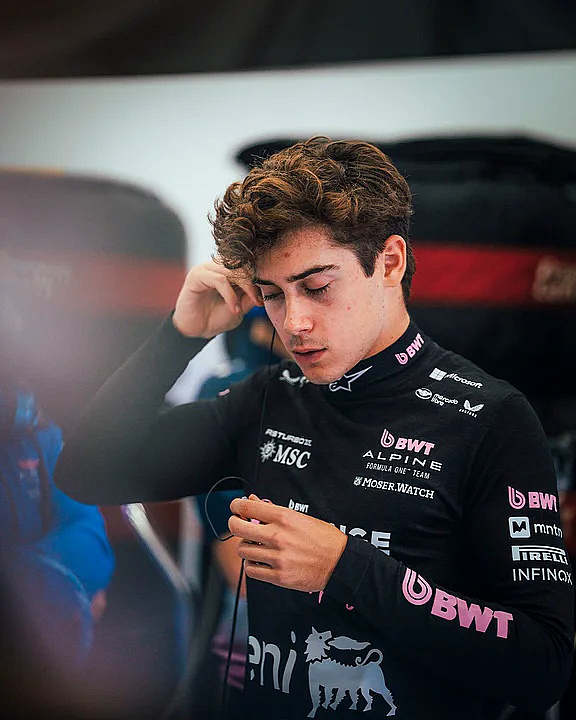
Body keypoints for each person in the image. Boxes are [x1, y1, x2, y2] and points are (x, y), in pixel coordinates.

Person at [55, 137, 574, 720]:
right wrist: (179, 335)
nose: (294, 322)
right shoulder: (269, 398)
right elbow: (85, 471)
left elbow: (544, 665)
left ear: (390, 262)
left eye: (318, 286)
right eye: (272, 295)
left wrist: (345, 568)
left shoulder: (492, 418)